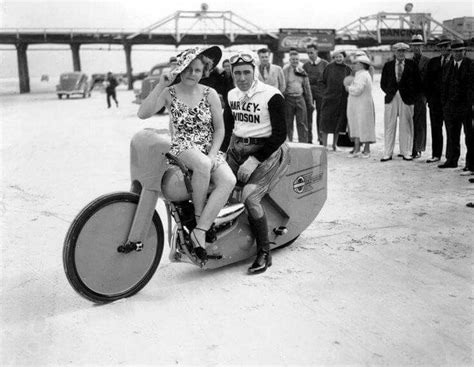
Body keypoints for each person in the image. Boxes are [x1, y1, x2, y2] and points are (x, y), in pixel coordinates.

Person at [137, 46, 236, 263]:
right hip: (183, 145)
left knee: (229, 179)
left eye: (198, 70)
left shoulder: (210, 94)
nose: (193, 74)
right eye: (188, 69)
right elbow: (143, 113)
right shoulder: (169, 93)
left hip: (208, 146)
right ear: (180, 70)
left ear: (204, 71)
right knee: (201, 164)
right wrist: (162, 83)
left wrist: (213, 154)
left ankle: (200, 230)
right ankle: (199, 217)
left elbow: (220, 129)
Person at [223, 51, 289, 274]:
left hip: (266, 150)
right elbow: (227, 129)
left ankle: (264, 252)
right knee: (216, 184)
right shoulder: (232, 94)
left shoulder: (271, 94)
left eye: (246, 73)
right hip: (237, 148)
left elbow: (280, 134)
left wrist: (254, 160)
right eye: (237, 73)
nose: (241, 78)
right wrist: (219, 154)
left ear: (255, 72)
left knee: (250, 196)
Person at [380, 42, 421, 162]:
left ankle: (406, 152)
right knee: (389, 125)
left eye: (403, 51)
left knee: (406, 125)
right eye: (399, 51)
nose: (401, 53)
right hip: (391, 97)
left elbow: (417, 82)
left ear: (406, 52)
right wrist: (390, 91)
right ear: (395, 52)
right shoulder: (388, 65)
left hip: (407, 98)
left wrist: (411, 95)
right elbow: (383, 83)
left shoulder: (412, 65)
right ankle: (387, 153)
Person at [439, 40, 473, 171]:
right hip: (450, 108)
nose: (458, 53)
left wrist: (470, 104)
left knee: (469, 137)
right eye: (455, 51)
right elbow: (443, 87)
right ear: (451, 52)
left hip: (467, 108)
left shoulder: (471, 64)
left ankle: (470, 164)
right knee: (452, 135)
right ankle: (452, 160)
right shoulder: (447, 66)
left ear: (464, 51)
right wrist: (445, 104)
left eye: (460, 51)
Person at [424, 37, 452, 163]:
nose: (445, 49)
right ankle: (436, 155)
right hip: (435, 103)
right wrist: (429, 99)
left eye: (447, 46)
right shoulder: (433, 62)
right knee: (436, 129)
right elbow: (427, 82)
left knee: (451, 130)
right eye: (442, 47)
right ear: (439, 48)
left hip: (451, 103)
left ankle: (451, 157)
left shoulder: (456, 61)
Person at [319, 50, 352, 151]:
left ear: (344, 57)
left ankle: (334, 145)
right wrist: (325, 94)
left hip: (342, 100)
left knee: (338, 123)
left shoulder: (348, 69)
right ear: (334, 58)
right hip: (329, 99)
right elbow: (321, 81)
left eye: (340, 57)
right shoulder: (328, 67)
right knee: (325, 122)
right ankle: (324, 145)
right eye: (336, 57)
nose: (338, 58)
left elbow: (351, 82)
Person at [344, 55, 376, 158]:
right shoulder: (359, 74)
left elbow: (358, 90)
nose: (353, 65)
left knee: (364, 126)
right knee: (356, 125)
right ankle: (357, 149)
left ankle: (366, 150)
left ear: (362, 65)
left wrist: (348, 88)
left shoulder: (363, 75)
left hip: (363, 105)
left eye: (356, 63)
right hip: (356, 105)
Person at [282, 50, 313, 142]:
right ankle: (288, 143)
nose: (295, 61)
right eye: (293, 59)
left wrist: (310, 102)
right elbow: (283, 86)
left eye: (296, 59)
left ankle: (303, 143)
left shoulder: (302, 70)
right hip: (289, 98)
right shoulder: (285, 70)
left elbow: (307, 87)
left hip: (300, 98)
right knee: (288, 123)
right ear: (289, 60)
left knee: (302, 123)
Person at [409, 34, 430, 159]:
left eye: (419, 46)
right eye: (414, 46)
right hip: (411, 97)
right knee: (410, 122)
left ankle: (418, 148)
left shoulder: (427, 61)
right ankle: (411, 147)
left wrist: (426, 96)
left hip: (421, 96)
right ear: (412, 47)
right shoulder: (409, 62)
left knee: (420, 122)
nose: (417, 49)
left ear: (422, 46)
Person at [303, 44, 328, 144]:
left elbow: (328, 79)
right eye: (308, 53)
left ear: (316, 52)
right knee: (308, 115)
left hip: (321, 92)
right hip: (309, 92)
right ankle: (309, 139)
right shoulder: (305, 65)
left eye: (311, 52)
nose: (310, 55)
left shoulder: (325, 64)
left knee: (321, 115)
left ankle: (321, 138)